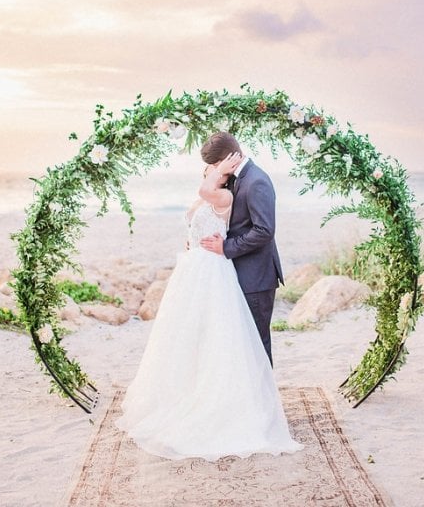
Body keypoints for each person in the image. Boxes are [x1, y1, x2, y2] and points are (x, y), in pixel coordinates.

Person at [114, 150, 302, 461]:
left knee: (246, 342)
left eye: (216, 165)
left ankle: (257, 411)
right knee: (196, 339)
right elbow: (198, 214)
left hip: (216, 269)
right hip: (194, 271)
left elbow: (260, 228)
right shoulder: (215, 192)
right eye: (211, 167)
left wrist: (220, 172)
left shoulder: (225, 193)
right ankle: (198, 396)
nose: (212, 170)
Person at [200, 132, 283, 366]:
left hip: (256, 277)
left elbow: (264, 230)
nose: (217, 169)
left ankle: (264, 400)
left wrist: (225, 247)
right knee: (243, 343)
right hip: (240, 274)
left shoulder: (256, 181)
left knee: (257, 342)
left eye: (216, 164)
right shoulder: (237, 178)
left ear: (229, 159)